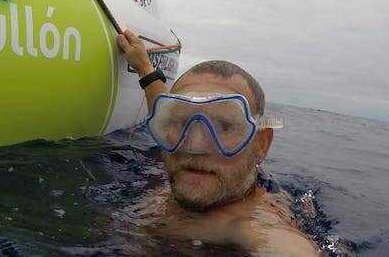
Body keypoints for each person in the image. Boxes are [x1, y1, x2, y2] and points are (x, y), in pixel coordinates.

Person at [117, 30, 322, 256]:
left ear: (261, 145)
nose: (195, 146)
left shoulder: (257, 228)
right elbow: (163, 114)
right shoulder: (176, 149)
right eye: (183, 122)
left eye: (224, 126)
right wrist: (144, 68)